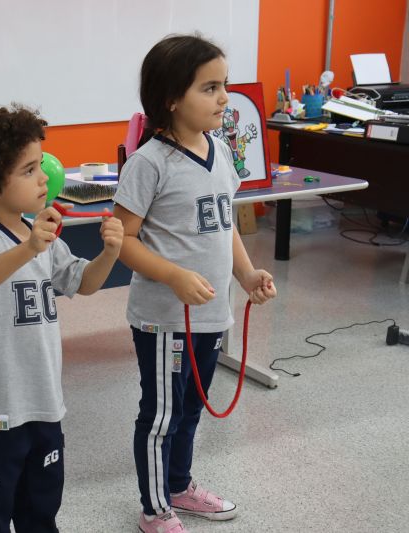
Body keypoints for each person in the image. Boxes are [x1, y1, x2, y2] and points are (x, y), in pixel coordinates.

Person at [112, 35, 278, 533]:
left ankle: (179, 485)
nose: (225, 97)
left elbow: (225, 225)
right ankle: (154, 508)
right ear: (171, 98)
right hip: (165, 320)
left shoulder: (220, 150)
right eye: (209, 88)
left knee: (189, 409)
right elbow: (123, 241)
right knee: (161, 415)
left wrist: (246, 274)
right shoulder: (148, 163)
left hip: (210, 316)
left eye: (224, 85)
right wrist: (173, 275)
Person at [0, 105, 123, 532]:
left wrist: (110, 253)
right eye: (29, 170)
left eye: (41, 165)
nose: (44, 179)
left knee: (42, 506)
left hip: (44, 400)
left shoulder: (38, 233)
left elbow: (84, 283)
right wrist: (28, 249)